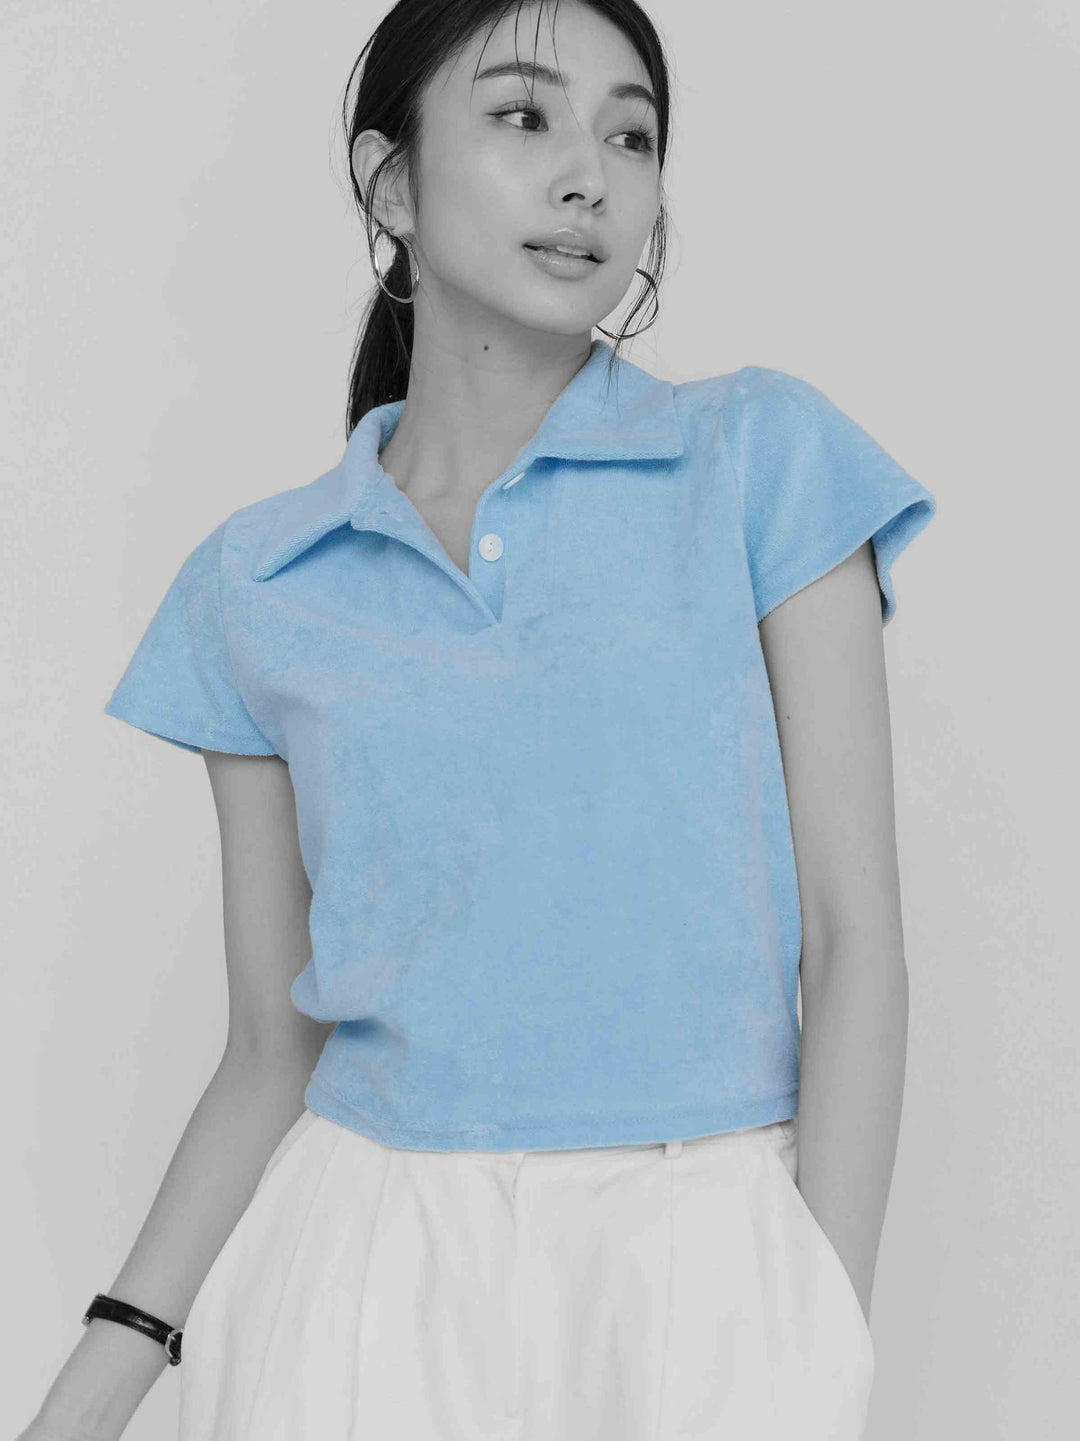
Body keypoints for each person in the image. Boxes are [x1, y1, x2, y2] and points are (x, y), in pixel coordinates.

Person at [25, 1, 937, 1438]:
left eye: (631, 136)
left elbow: (855, 934)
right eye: (524, 116)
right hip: (357, 1274)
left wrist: (819, 1322)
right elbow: (270, 1048)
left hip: (697, 1258)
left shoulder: (762, 460)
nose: (590, 175)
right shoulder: (259, 582)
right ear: (390, 183)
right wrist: (94, 1386)